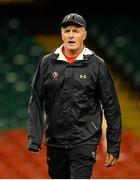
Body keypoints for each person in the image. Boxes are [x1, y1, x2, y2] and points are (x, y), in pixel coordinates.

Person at [27, 13, 122, 179]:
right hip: (55, 140)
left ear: (84, 34)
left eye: (76, 30)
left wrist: (113, 145)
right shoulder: (47, 63)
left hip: (85, 140)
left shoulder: (97, 65)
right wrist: (35, 138)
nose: (71, 35)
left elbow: (111, 106)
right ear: (61, 34)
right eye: (67, 30)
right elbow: (35, 101)